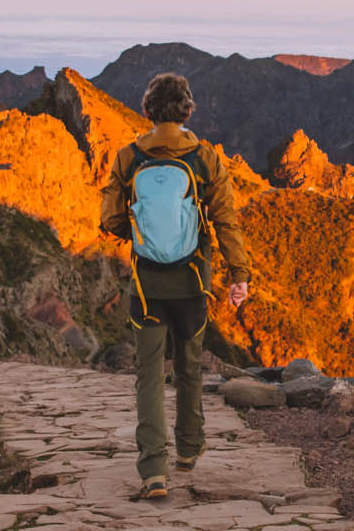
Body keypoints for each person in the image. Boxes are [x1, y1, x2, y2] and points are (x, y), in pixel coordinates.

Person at [98, 72, 252, 500]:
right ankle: (188, 448)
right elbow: (226, 221)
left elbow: (109, 220)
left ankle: (153, 472)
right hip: (192, 282)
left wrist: (143, 230)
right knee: (188, 364)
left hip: (146, 285)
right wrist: (239, 275)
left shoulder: (129, 157)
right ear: (187, 111)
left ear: (146, 111)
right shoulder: (206, 159)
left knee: (148, 374)